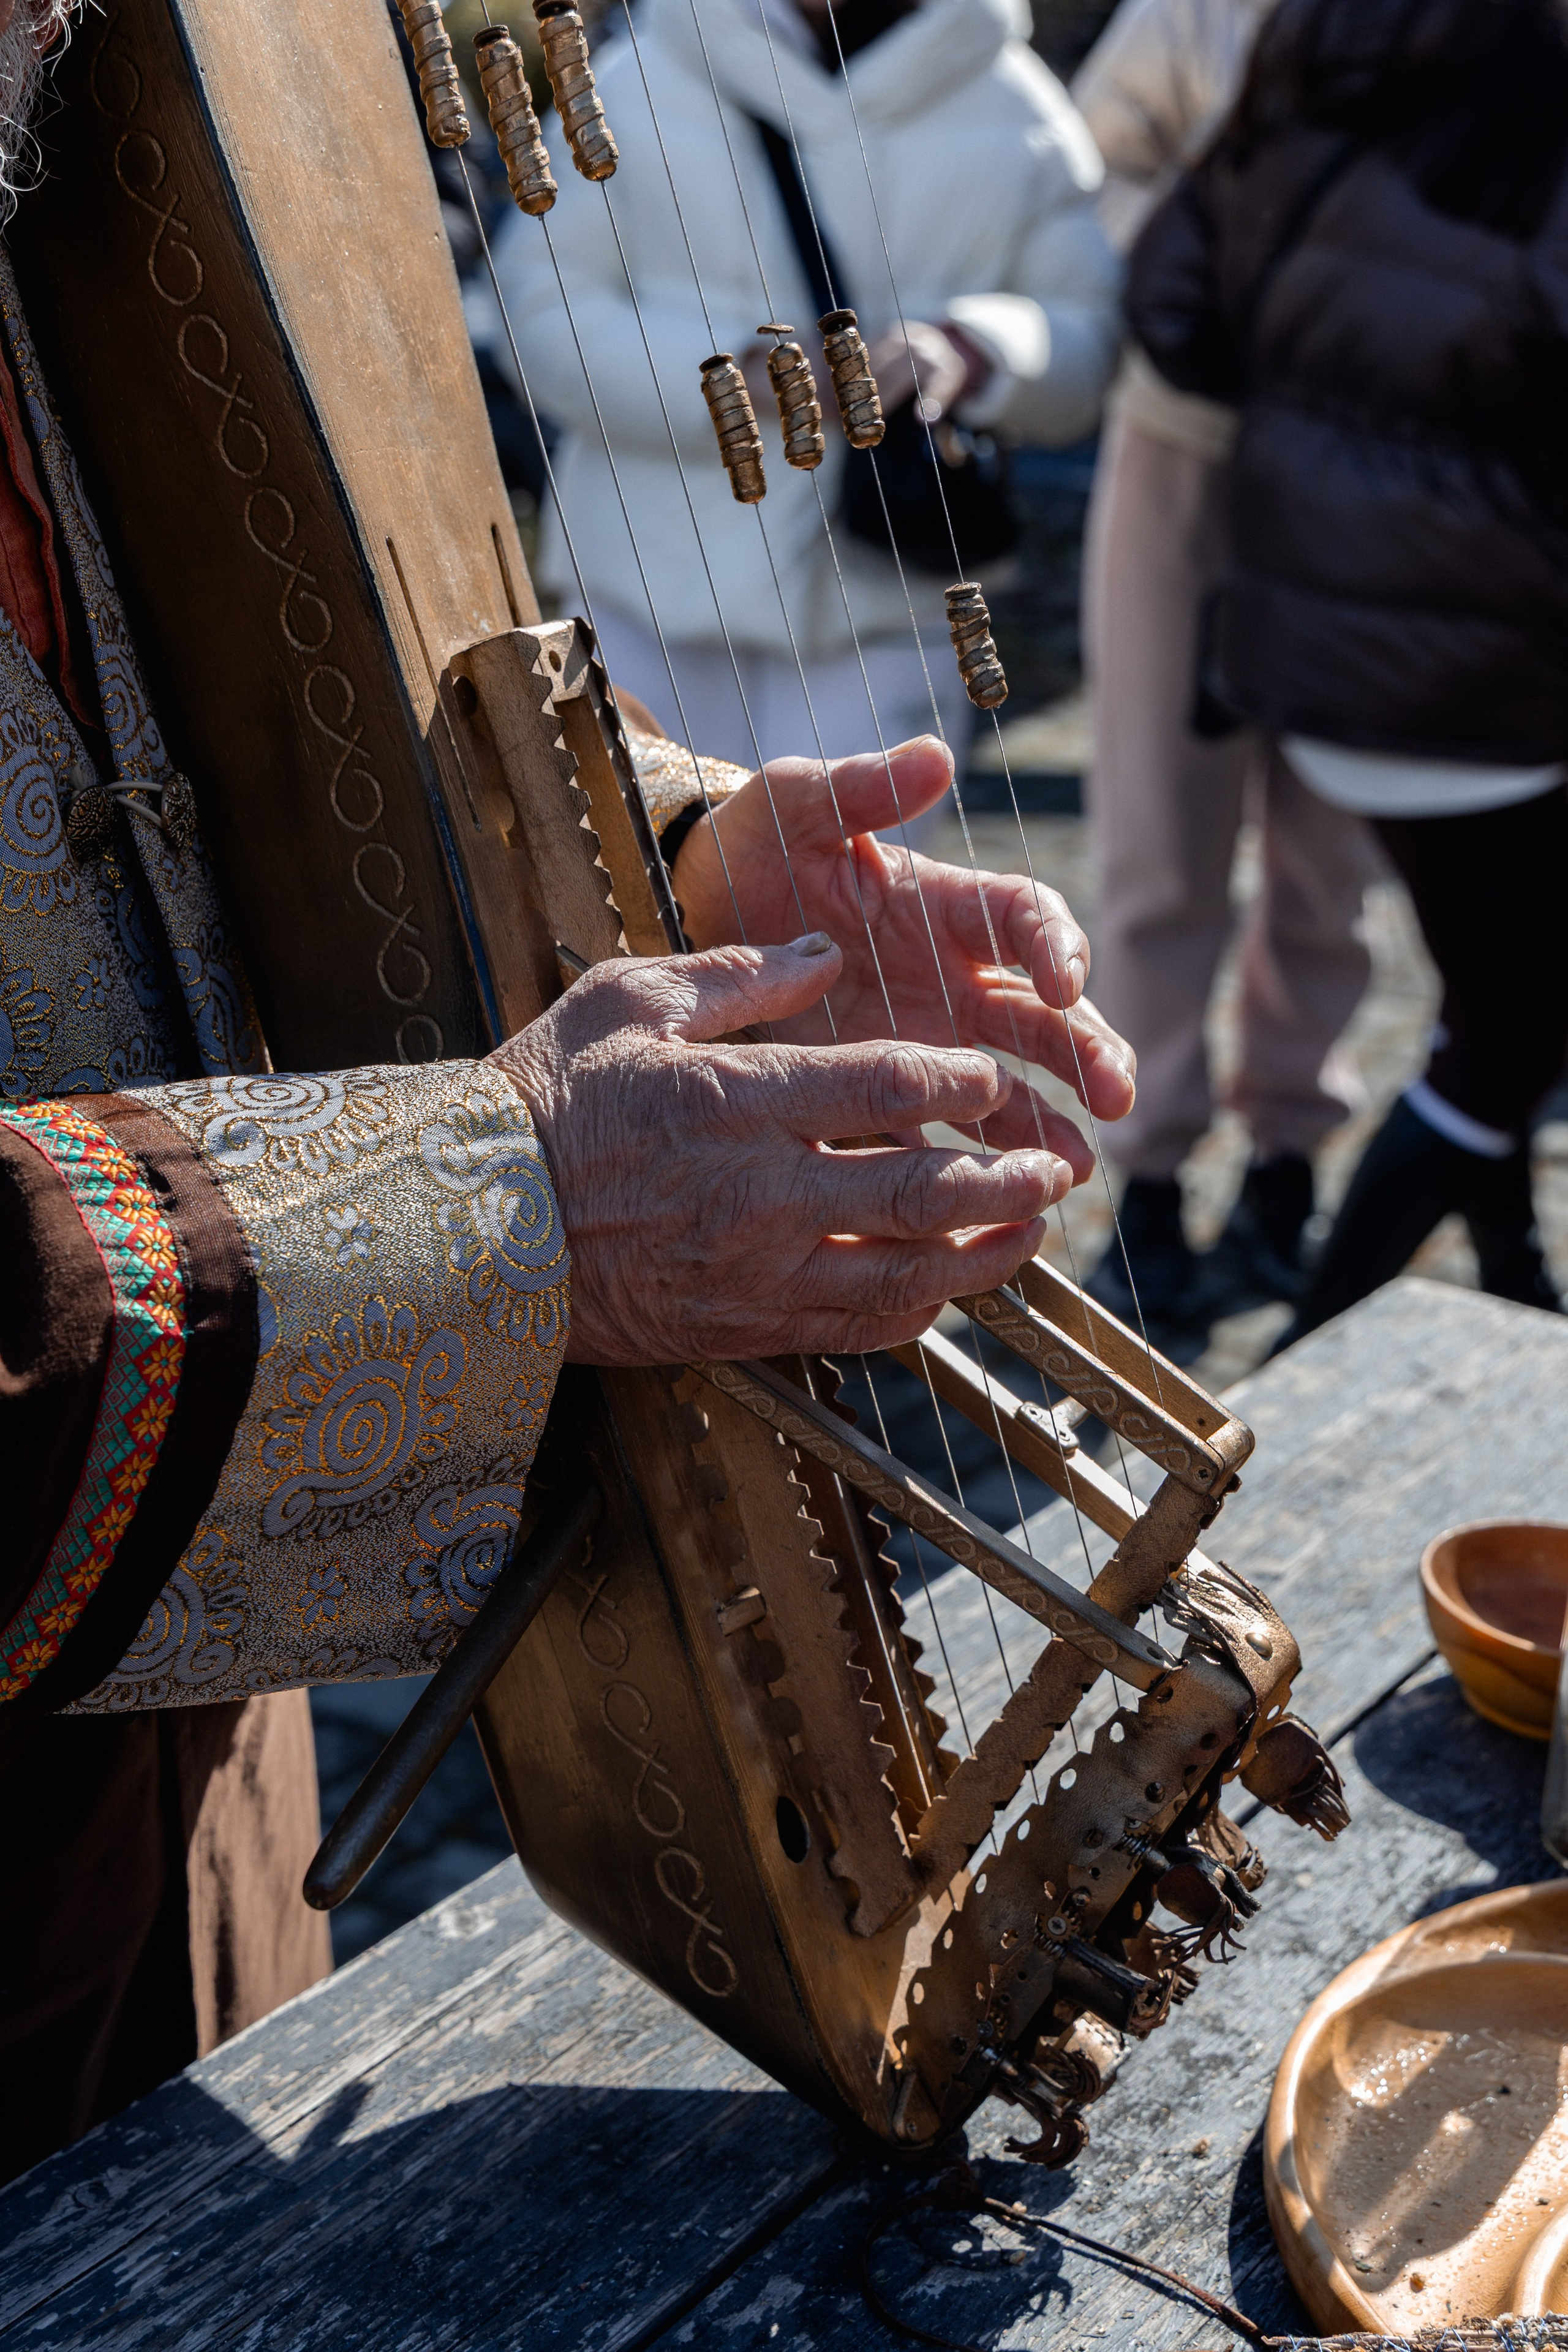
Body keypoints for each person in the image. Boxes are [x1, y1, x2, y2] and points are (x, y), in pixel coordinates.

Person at [0, 0, 1133, 2181]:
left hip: (210, 1851)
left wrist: (683, 858)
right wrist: (496, 1213)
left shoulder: (69, 158)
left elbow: (240, 719)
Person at [1127, 0, 1568, 1338]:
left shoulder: (1317, 47)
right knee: (1509, 1037)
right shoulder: (1537, 84)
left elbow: (1172, 300)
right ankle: (1323, 1344)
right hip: (1476, 668)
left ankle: (1511, 1282)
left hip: (1324, 638)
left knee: (1496, 990)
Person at [478, 0, 1122, 780]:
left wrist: (972, 350)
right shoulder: (640, 76)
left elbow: (1087, 337)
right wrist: (729, 380)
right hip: (646, 591)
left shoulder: (1012, 103)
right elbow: (534, 309)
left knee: (853, 897)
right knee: (634, 889)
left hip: (885, 597)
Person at [1071, 0, 1380, 1343]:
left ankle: (1286, 1162)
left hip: (1374, 458)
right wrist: (1210, 262)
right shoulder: (1192, 9)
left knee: (1333, 836)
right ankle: (1141, 1185)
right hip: (1185, 438)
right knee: (1156, 822)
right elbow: (1091, 166)